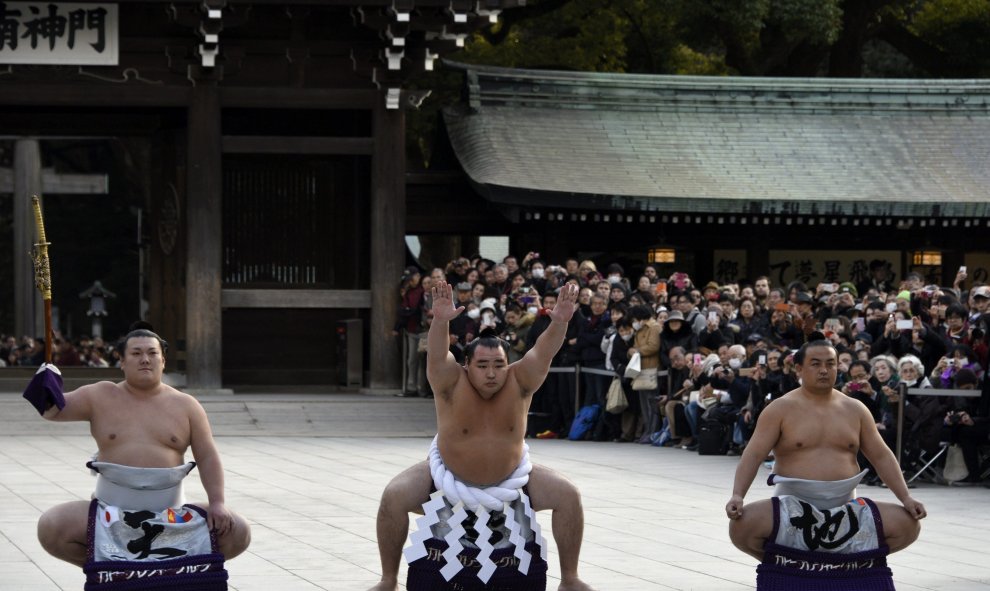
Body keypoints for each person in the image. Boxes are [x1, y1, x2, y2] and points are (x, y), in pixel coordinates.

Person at [368, 282, 595, 591]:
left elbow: (544, 351)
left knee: (568, 495)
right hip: (445, 477)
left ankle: (570, 579)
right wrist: (440, 320)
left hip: (514, 479)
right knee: (393, 496)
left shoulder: (520, 381)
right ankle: (388, 580)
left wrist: (560, 322)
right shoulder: (450, 383)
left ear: (508, 364)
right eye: (483, 366)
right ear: (467, 366)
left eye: (499, 365)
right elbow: (436, 354)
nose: (491, 374)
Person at [24, 327, 251, 575]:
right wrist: (48, 379)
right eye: (136, 353)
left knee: (238, 531)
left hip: (169, 517)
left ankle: (165, 571)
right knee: (51, 527)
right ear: (121, 361)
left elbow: (207, 456)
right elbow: (51, 410)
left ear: (163, 361)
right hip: (110, 513)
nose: (145, 359)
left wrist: (218, 502)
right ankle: (112, 568)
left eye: (153, 353)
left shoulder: (187, 405)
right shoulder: (99, 395)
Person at [726, 340, 925, 587]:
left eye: (830, 364)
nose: (824, 370)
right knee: (742, 527)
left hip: (846, 508)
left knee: (908, 525)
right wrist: (737, 495)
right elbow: (753, 454)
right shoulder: (780, 408)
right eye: (815, 364)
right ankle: (791, 564)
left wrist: (906, 498)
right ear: (798, 369)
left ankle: (841, 565)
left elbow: (881, 456)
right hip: (793, 506)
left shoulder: (855, 409)